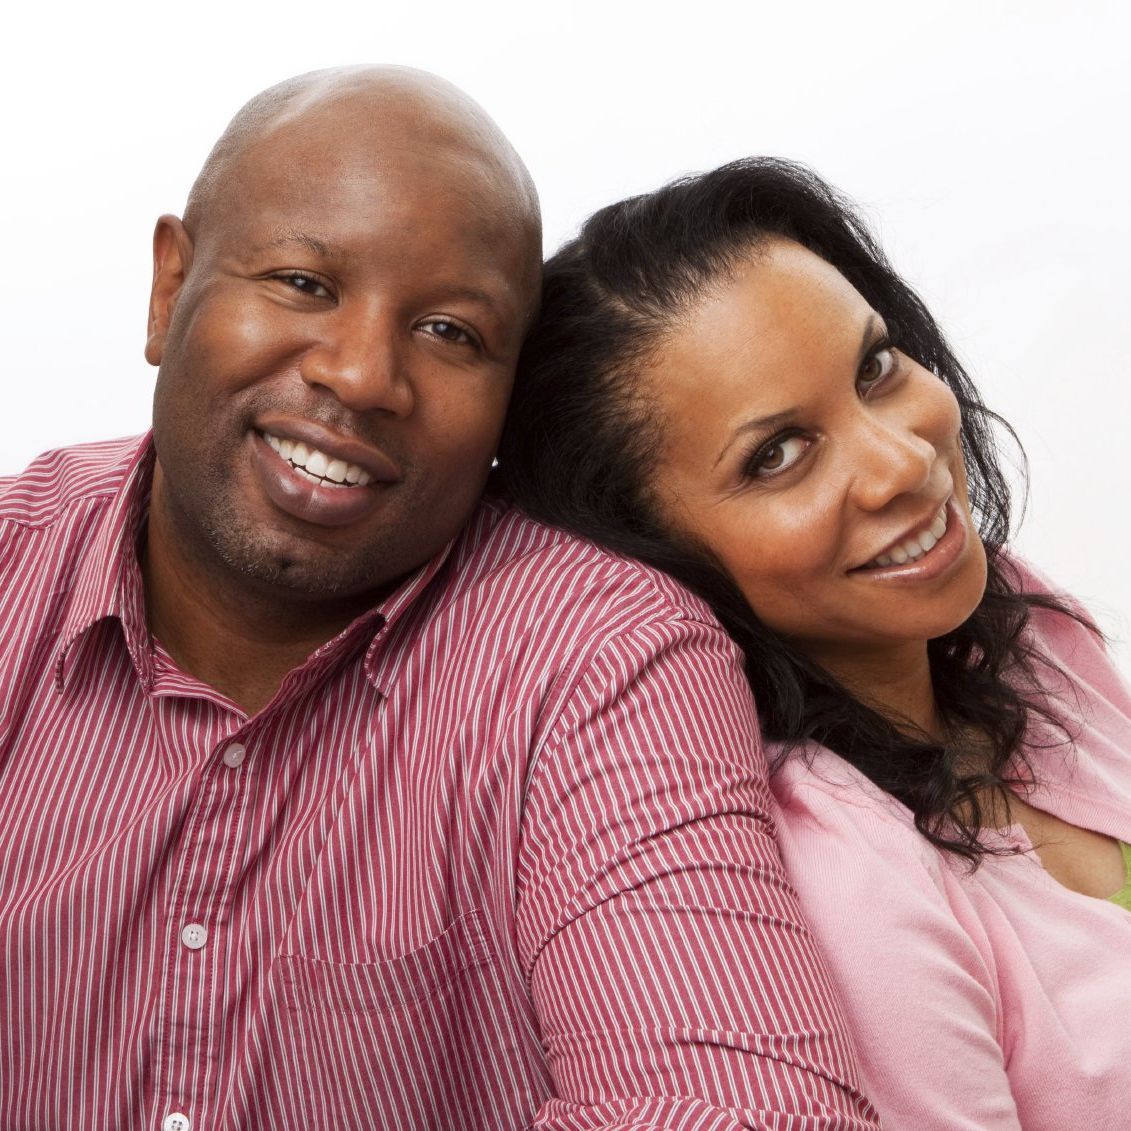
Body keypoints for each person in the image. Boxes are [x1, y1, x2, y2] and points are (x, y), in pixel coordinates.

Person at [0, 72, 880, 1130]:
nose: (363, 376)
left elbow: (737, 1108)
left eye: (451, 332)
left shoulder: (603, 659)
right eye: (303, 283)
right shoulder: (13, 567)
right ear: (169, 289)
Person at [499, 156, 1131, 1130]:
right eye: (778, 455)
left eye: (874, 368)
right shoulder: (842, 883)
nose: (903, 462)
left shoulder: (1018, 620)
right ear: (648, 555)